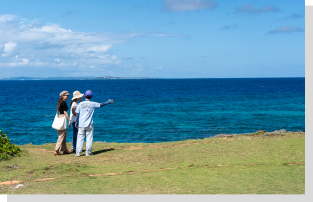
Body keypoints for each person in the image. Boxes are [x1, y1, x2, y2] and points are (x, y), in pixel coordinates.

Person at [75, 90, 113, 157]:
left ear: (84, 96)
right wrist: (108, 102)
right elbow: (101, 104)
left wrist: (76, 122)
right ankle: (88, 153)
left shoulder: (80, 104)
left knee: (80, 138)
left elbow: (77, 114)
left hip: (81, 124)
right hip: (90, 124)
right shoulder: (92, 103)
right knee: (89, 138)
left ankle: (78, 153)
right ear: (91, 97)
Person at [55, 91, 72, 156]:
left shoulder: (60, 103)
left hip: (60, 118)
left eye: (68, 95)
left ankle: (65, 149)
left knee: (63, 135)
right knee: (61, 136)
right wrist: (69, 120)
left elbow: (60, 112)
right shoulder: (64, 103)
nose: (67, 96)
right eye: (66, 95)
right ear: (62, 96)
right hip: (63, 119)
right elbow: (65, 112)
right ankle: (57, 150)